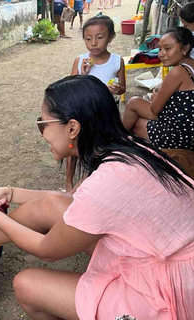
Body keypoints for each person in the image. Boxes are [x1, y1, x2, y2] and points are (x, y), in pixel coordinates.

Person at [0, 75, 194, 320]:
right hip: (191, 269)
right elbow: (73, 199)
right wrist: (11, 192)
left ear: (72, 127)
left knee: (26, 285)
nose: (42, 133)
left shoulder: (110, 179)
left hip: (176, 294)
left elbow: (47, 248)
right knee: (53, 205)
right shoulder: (125, 150)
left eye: (43, 124)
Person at [122, 27, 194, 151]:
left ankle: (116, 142)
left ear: (185, 48)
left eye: (168, 49)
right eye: (160, 49)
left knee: (134, 107)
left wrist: (155, 97)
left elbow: (155, 109)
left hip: (177, 137)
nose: (161, 54)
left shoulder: (179, 71)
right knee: (136, 108)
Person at [67, 14, 125, 191]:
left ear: (111, 37)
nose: (93, 43)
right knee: (73, 147)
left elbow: (123, 88)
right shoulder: (81, 61)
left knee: (100, 148)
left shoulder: (117, 61)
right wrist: (83, 75)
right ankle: (68, 182)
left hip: (105, 112)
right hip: (83, 112)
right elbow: (69, 88)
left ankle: (90, 182)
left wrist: (117, 89)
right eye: (88, 38)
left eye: (100, 38)